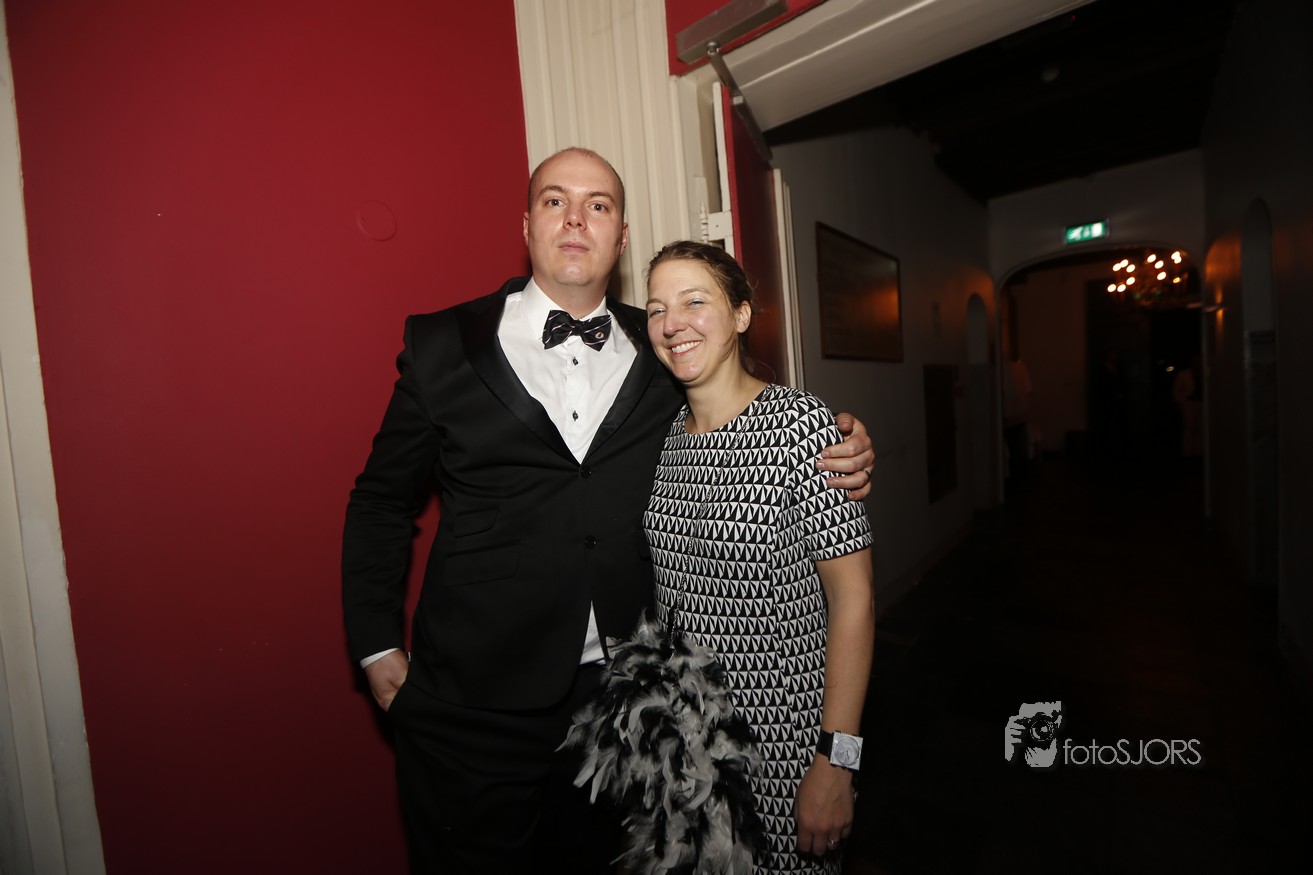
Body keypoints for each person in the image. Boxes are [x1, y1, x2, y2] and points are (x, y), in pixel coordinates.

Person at [341, 148, 875, 873]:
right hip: (473, 704)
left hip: (625, 710)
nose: (574, 219)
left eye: (597, 205)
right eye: (554, 200)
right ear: (526, 225)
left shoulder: (659, 346)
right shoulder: (443, 344)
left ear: (620, 236)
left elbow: (743, 400)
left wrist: (839, 438)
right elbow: (380, 499)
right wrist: (376, 645)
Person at [642, 241, 875, 873]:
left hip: (787, 742)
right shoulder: (668, 440)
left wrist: (838, 761)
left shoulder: (802, 426)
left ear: (742, 314)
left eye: (695, 301)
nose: (672, 323)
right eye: (657, 309)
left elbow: (853, 602)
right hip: (690, 748)